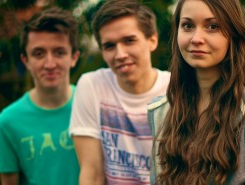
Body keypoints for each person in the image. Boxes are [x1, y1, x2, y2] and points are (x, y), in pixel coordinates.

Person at [148, 0, 245, 184]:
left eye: (213, 26)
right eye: (187, 25)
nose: (196, 38)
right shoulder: (161, 111)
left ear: (233, 34)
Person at [69, 0, 170, 184]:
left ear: (152, 40)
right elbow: (92, 173)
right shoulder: (92, 85)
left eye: (129, 40)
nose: (120, 54)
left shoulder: (176, 89)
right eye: (109, 46)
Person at [0, 7, 80, 185]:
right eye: (39, 53)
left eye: (59, 52)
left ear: (74, 57)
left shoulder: (96, 104)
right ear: (25, 60)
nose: (49, 64)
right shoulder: (7, 122)